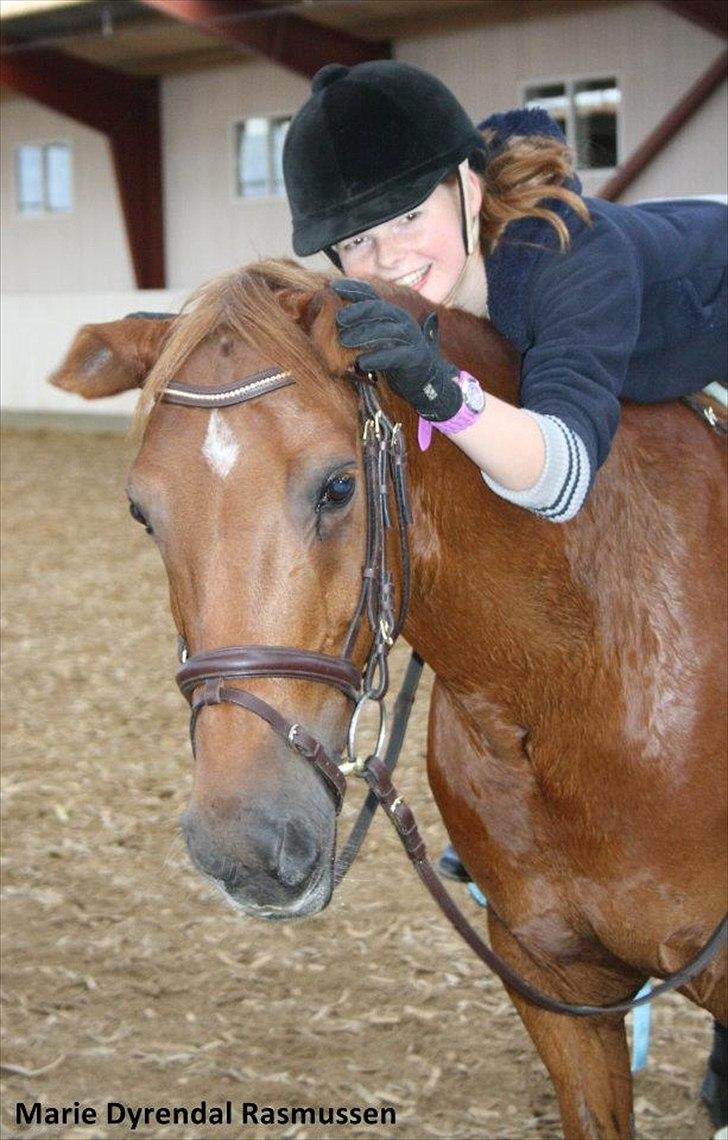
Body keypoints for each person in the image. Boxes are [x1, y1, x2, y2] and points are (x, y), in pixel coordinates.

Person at [283, 60, 727, 527]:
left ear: (469, 193)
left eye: (408, 217)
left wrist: (441, 391)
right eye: (356, 241)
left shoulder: (569, 259)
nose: (388, 258)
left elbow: (563, 481)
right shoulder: (439, 280)